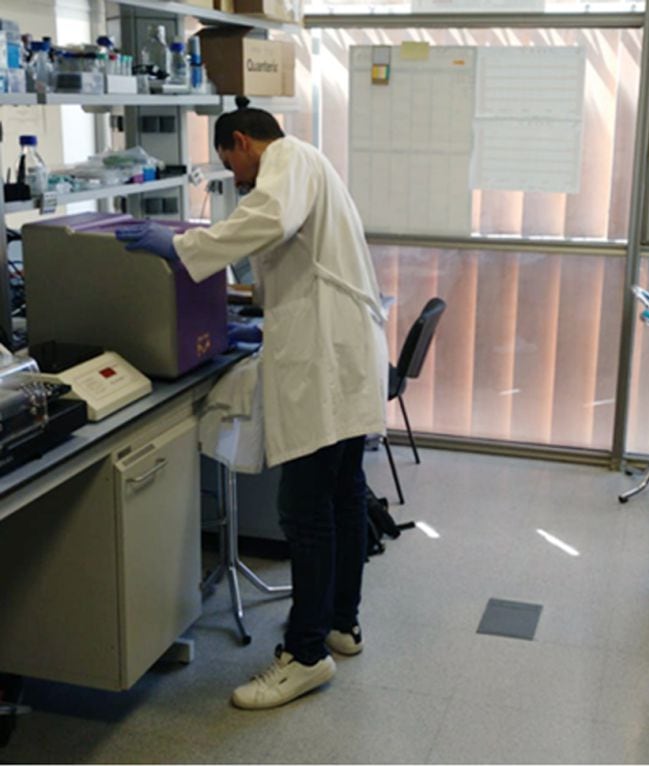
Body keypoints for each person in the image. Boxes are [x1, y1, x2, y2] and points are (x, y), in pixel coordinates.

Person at [116, 103, 388, 710]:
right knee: (344, 496)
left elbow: (267, 217)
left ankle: (306, 655)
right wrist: (251, 318)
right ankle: (341, 623)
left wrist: (182, 246)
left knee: (304, 508)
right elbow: (283, 261)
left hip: (325, 356)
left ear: (242, 141)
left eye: (230, 165)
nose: (236, 179)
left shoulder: (287, 159)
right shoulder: (310, 166)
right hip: (341, 351)